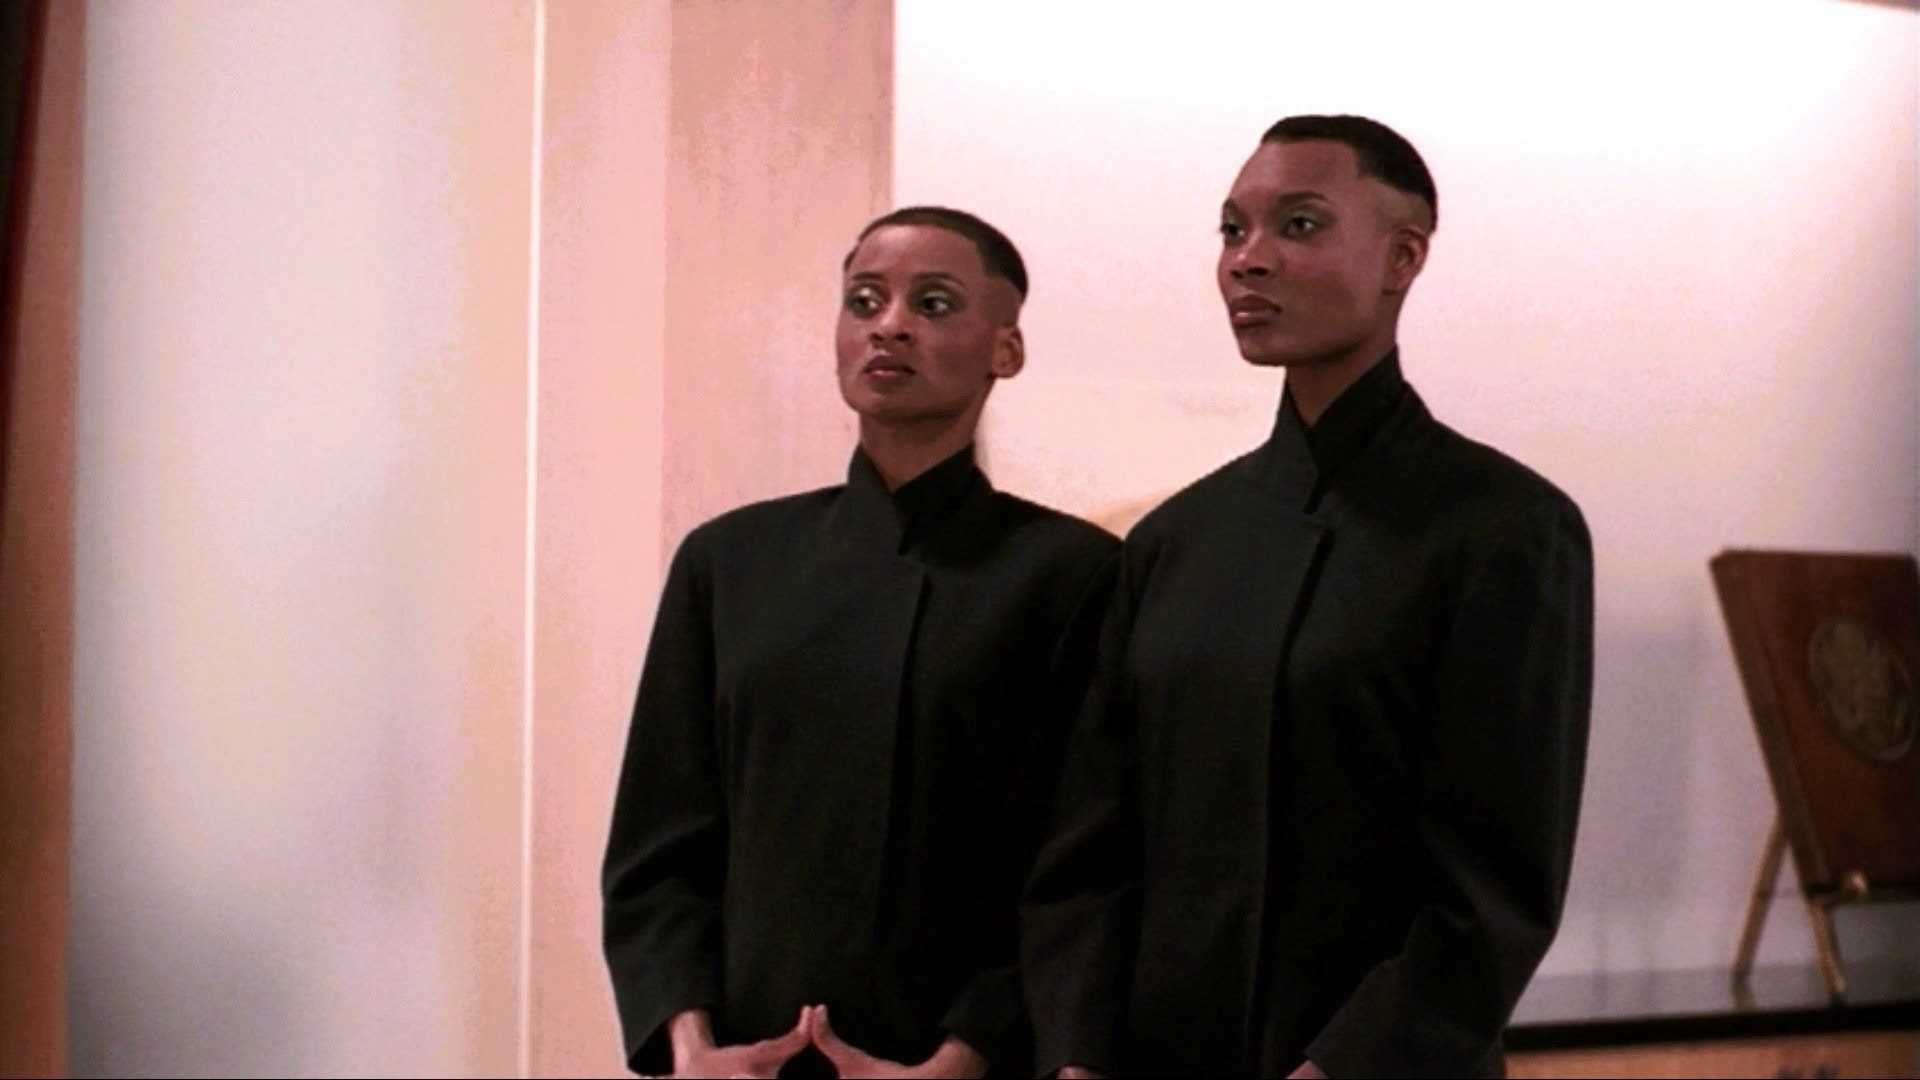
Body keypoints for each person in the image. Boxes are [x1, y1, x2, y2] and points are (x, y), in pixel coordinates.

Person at [1020, 115, 1594, 1079]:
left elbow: (1493, 889)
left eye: (1298, 224)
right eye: (1231, 229)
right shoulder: (1172, 544)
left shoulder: (1506, 530)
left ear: (1403, 257)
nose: (1248, 259)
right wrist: (1076, 1057)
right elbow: (1089, 847)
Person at [603, 206, 1118, 1079]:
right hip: (744, 1060)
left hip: (960, 1062)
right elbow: (660, 842)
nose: (890, 325)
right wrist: (692, 1048)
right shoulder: (730, 562)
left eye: (934, 303)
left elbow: (1076, 858)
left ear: (1006, 349)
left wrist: (965, 1056)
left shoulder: (1072, 573)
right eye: (865, 300)